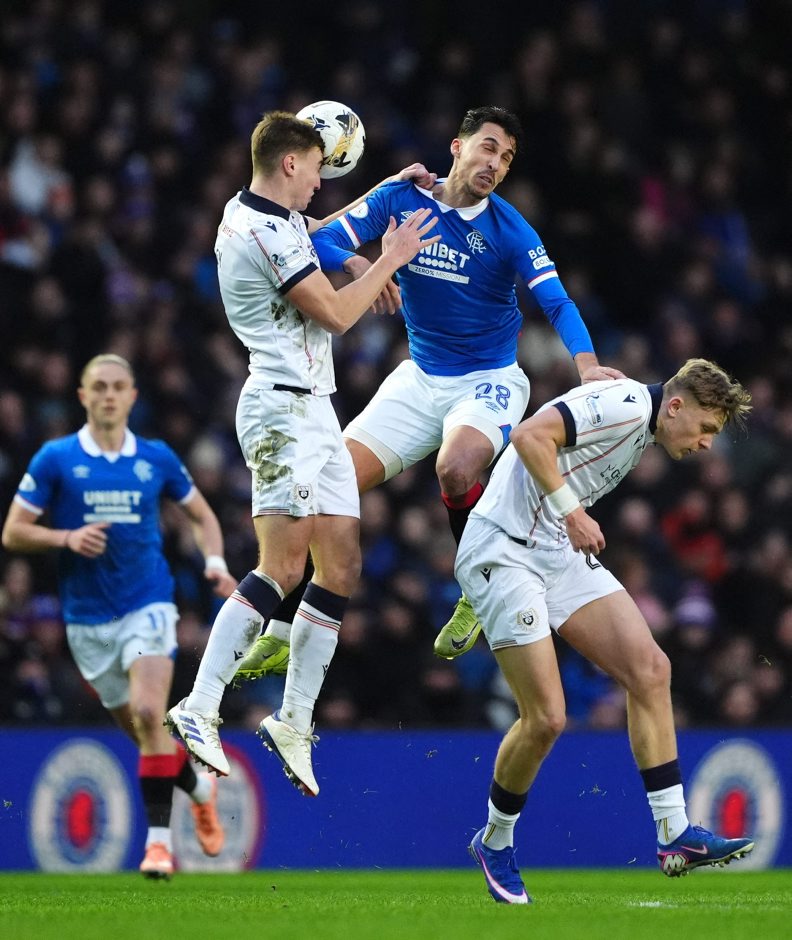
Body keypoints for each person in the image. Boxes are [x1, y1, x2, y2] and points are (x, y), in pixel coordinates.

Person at [235, 105, 623, 682]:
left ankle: (479, 585)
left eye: (507, 158)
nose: (495, 163)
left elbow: (558, 302)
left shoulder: (511, 230)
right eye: (488, 147)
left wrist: (587, 367)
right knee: (327, 485)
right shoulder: (402, 198)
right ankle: (285, 630)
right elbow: (323, 238)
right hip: (419, 378)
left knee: (455, 468)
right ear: (457, 147)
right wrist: (362, 262)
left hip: (488, 380)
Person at [164, 110, 440, 796]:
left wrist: (380, 198)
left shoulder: (263, 212)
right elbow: (339, 315)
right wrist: (389, 258)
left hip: (315, 408)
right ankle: (198, 705)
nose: (322, 180)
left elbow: (316, 231)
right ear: (290, 162)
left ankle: (293, 720)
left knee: (340, 566)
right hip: (281, 412)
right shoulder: (262, 232)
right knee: (283, 567)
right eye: (318, 167)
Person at [452, 358, 754, 903]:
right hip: (503, 548)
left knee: (651, 670)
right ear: (676, 406)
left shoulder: (639, 418)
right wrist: (572, 512)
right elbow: (528, 435)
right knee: (547, 718)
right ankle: (494, 841)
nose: (707, 443)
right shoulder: (627, 407)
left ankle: (675, 833)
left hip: (551, 550)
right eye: (707, 427)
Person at [1, 353, 237, 879]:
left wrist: (216, 563)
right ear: (83, 396)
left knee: (152, 715)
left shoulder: (155, 458)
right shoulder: (56, 459)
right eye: (99, 387)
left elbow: (201, 515)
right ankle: (200, 789)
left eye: (118, 387)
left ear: (132, 396)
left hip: (148, 604)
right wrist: (65, 537)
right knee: (143, 732)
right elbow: (13, 531)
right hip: (88, 620)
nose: (109, 395)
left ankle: (158, 847)